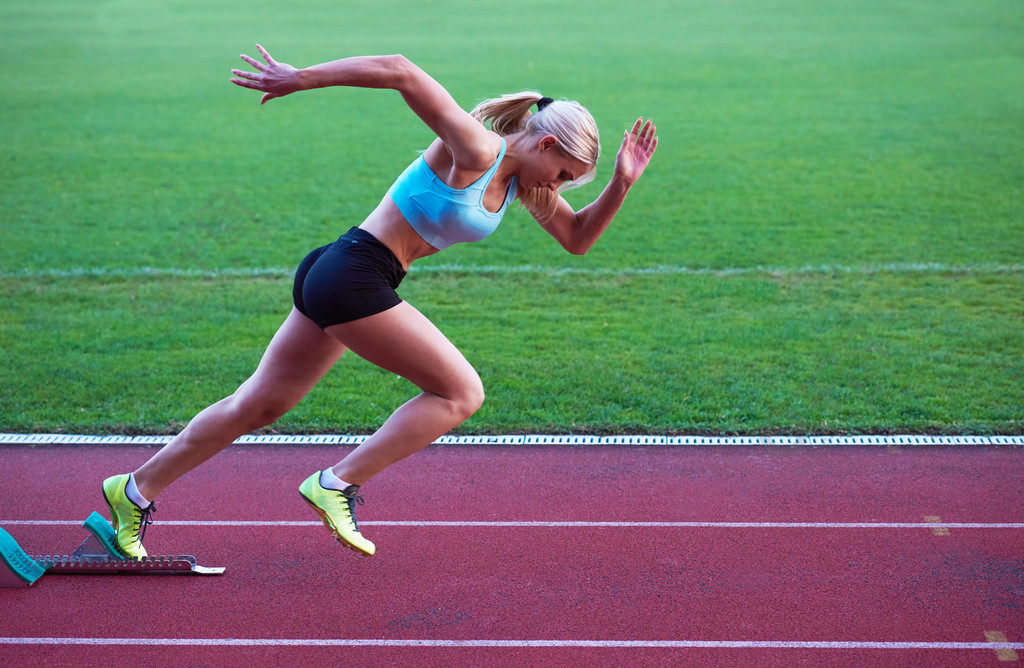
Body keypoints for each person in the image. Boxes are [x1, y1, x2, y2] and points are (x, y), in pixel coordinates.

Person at [101, 45, 658, 558]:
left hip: (343, 270)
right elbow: (400, 70)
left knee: (258, 406)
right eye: (562, 174)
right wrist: (301, 79)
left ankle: (134, 490)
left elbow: (578, 239)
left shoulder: (521, 186)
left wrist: (622, 184)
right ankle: (335, 483)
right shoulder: (478, 149)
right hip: (353, 274)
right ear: (545, 144)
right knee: (461, 392)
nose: (557, 188)